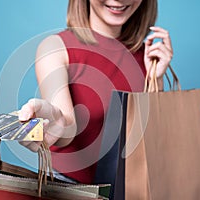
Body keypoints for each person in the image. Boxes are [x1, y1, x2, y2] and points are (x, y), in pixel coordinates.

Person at [18, 0, 173, 185]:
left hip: (131, 188)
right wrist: (54, 123)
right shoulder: (56, 47)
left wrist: (156, 78)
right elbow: (66, 124)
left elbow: (153, 140)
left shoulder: (147, 55)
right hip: (69, 188)